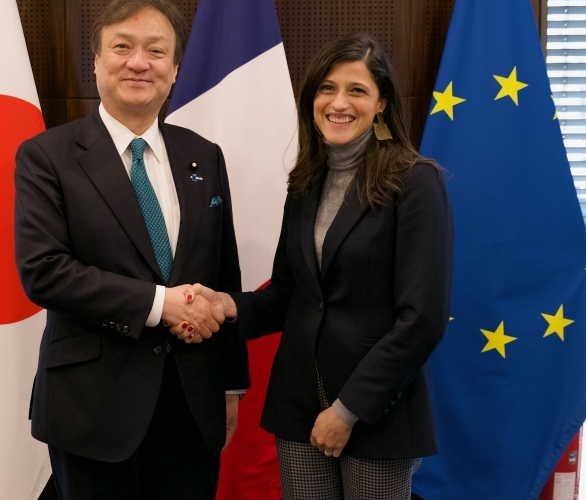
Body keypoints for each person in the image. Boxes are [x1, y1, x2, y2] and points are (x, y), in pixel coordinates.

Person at [181, 33, 454, 500]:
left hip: (376, 411)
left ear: (382, 103)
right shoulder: (305, 182)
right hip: (299, 402)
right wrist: (227, 305)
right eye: (327, 88)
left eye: (356, 90)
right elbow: (290, 293)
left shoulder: (415, 182)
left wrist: (347, 411)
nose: (338, 102)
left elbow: (423, 320)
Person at [13, 0, 250, 500]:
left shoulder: (203, 155)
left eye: (156, 51)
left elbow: (223, 273)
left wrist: (230, 384)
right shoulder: (47, 156)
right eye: (122, 47)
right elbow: (45, 271)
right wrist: (161, 304)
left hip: (192, 405)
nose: (139, 62)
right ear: (97, 61)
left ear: (175, 69)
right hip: (92, 409)